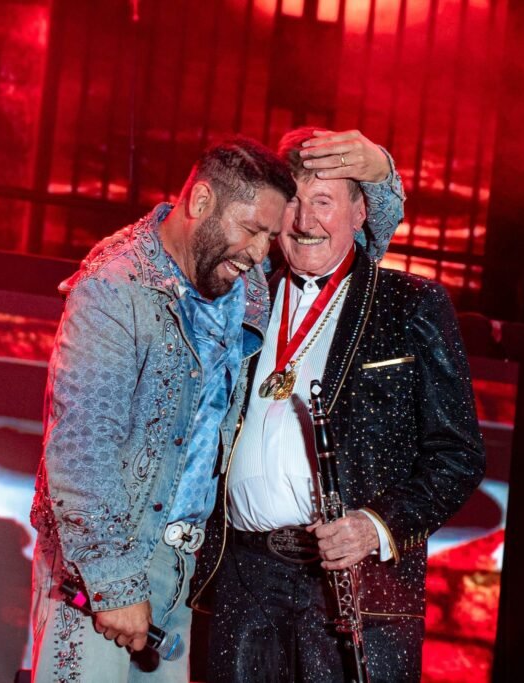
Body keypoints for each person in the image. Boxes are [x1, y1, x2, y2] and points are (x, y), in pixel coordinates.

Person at [193, 127, 487, 682]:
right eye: (295, 203)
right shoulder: (241, 294)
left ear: (360, 214)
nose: (306, 222)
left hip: (353, 585)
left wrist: (376, 526)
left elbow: (458, 456)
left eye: (324, 202)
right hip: (241, 578)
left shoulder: (412, 304)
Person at [29, 136, 296, 683]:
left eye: (271, 235)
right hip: (100, 564)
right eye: (251, 229)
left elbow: (352, 245)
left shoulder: (244, 287)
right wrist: (115, 582)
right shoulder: (114, 286)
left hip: (183, 566)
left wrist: (379, 176)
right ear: (200, 203)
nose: (260, 253)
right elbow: (82, 446)